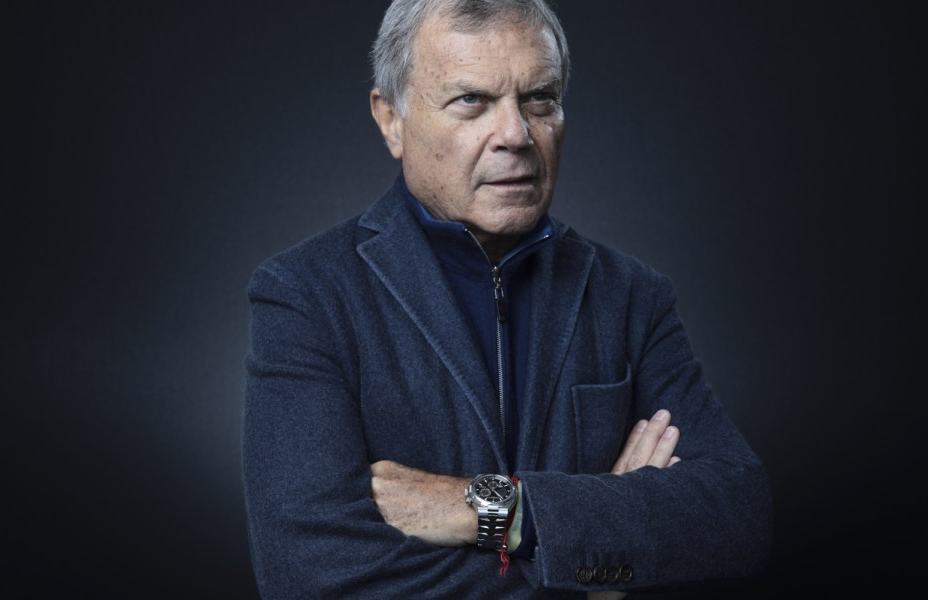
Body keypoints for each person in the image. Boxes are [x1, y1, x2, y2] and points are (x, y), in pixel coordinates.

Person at [242, 0, 771, 597]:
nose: (517, 135)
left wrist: (494, 509)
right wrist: (595, 578)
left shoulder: (631, 296)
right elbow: (307, 575)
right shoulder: (307, 296)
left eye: (539, 98)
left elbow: (739, 517)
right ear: (391, 120)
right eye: (472, 100)